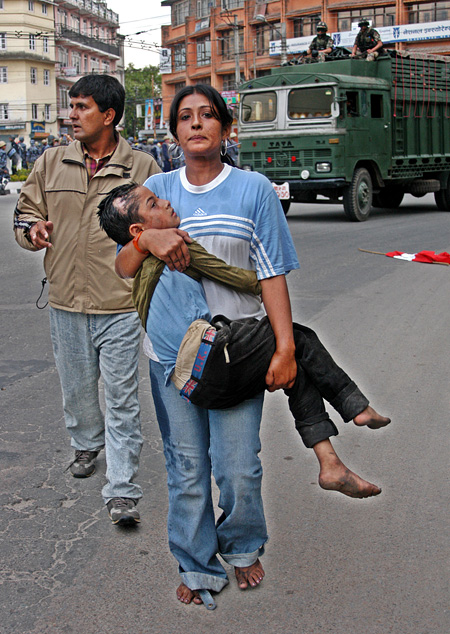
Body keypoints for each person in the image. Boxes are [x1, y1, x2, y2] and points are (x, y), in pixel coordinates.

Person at [113, 84, 380, 609]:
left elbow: (271, 273)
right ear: (174, 132)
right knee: (186, 467)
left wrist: (284, 348)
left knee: (237, 467)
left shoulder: (253, 190)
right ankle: (196, 562)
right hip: (172, 362)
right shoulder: (156, 189)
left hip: (237, 354)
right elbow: (123, 268)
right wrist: (144, 240)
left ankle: (241, 546)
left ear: (226, 127)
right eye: (185, 117)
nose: (196, 124)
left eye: (207, 115)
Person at [98, 180, 390, 472]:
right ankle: (354, 405)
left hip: (186, 380)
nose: (165, 202)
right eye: (153, 204)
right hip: (209, 356)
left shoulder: (139, 265)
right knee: (295, 339)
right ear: (137, 230)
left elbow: (122, 266)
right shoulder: (173, 244)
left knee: (292, 362)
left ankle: (329, 461)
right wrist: (267, 280)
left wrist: (144, 240)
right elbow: (230, 275)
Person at [13, 74, 161, 526]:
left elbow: (163, 225)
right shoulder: (51, 161)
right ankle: (86, 443)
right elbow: (25, 212)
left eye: (82, 107)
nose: (71, 115)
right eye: (72, 105)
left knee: (121, 398)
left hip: (120, 306)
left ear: (108, 115)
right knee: (77, 390)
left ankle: (122, 488)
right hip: (65, 301)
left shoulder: (142, 168)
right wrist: (32, 231)